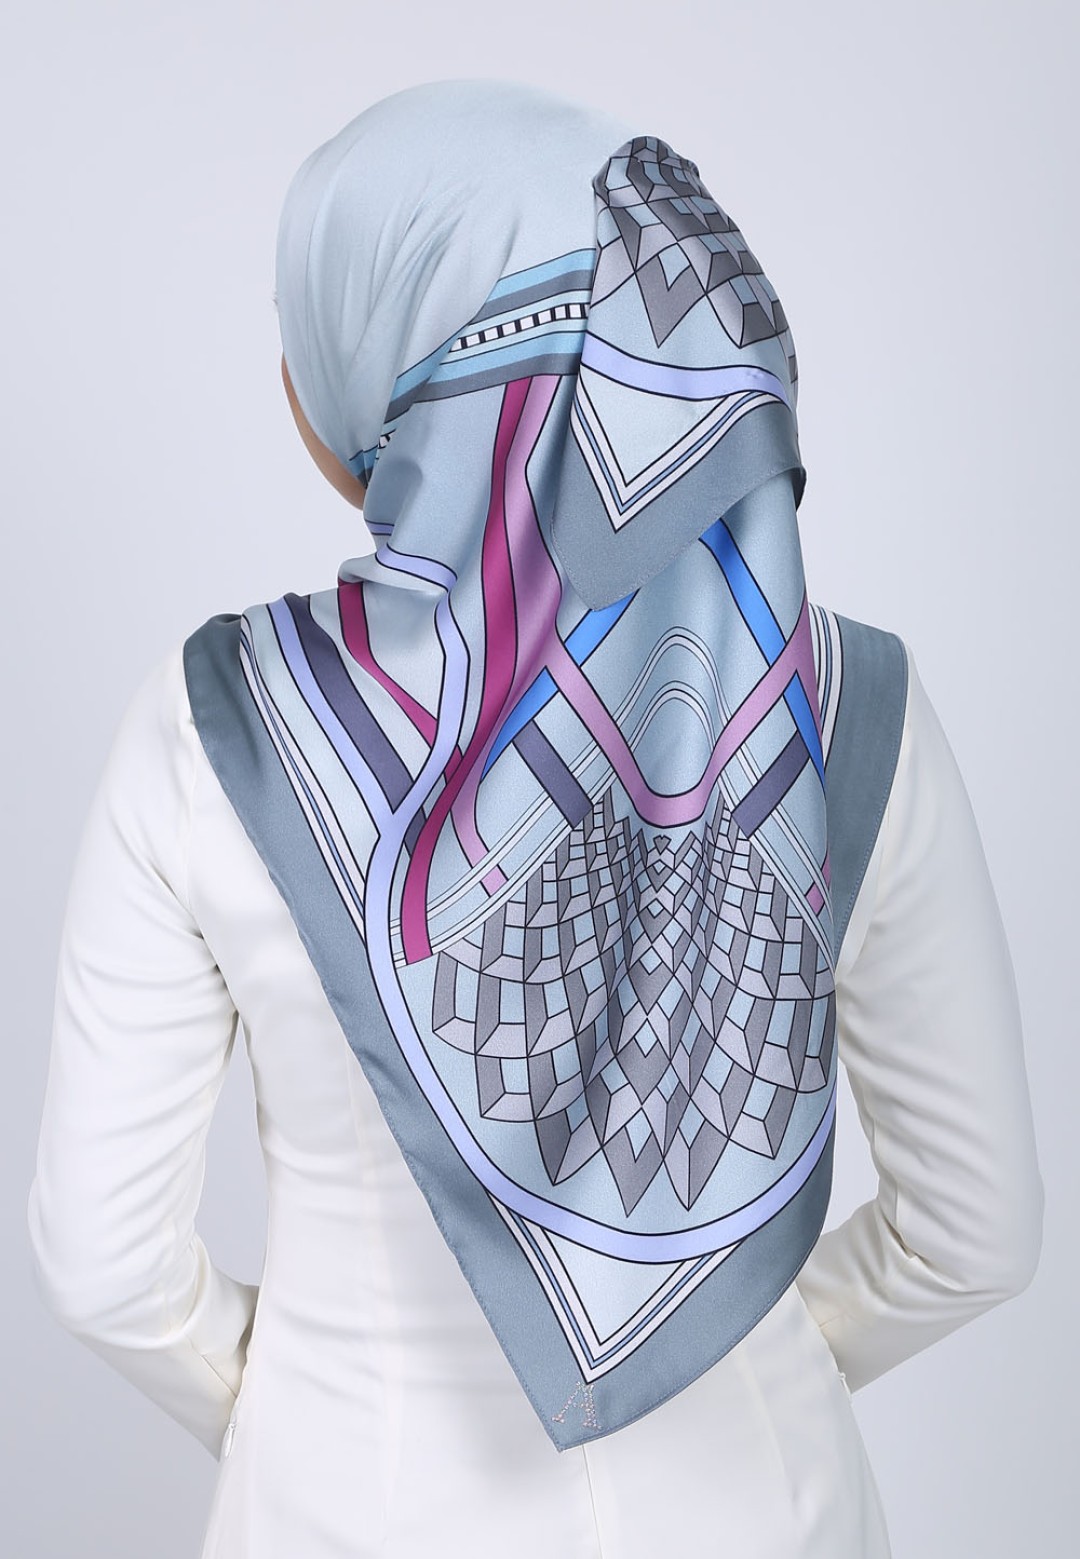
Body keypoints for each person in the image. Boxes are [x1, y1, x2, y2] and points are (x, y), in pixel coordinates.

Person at [27, 79, 1044, 1558]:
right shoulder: (847, 706)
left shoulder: (216, 724)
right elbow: (978, 1232)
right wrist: (754, 1359)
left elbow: (103, 1266)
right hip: (774, 1511)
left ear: (412, 370)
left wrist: (299, 1404)